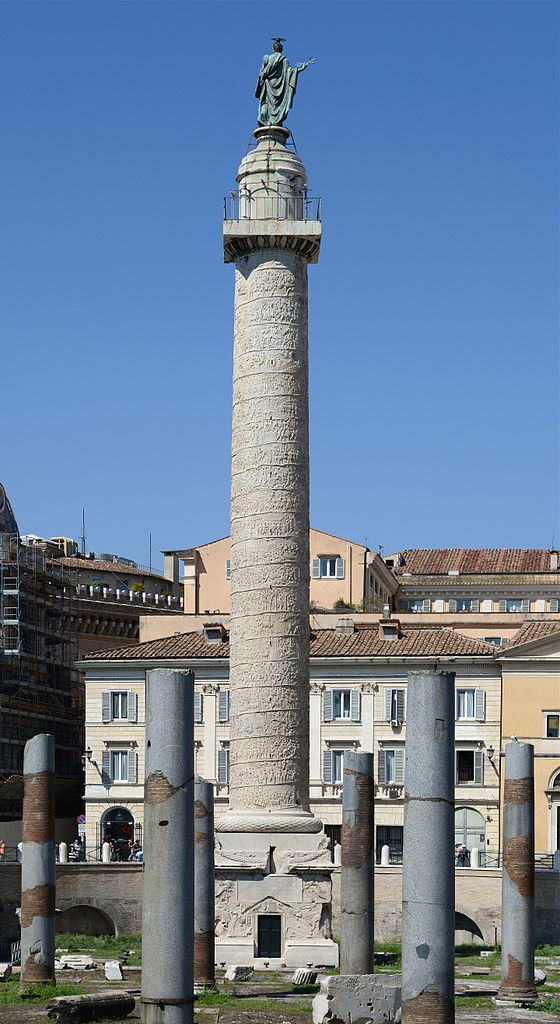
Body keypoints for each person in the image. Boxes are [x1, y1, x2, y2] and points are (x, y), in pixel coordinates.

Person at [255, 38, 316, 127]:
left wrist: (260, 82)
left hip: (267, 85)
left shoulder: (267, 58)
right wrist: (303, 67)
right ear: (281, 49)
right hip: (279, 87)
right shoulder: (284, 60)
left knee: (265, 103)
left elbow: (261, 73)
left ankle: (263, 117)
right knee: (274, 105)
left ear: (273, 49)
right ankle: (270, 119)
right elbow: (290, 72)